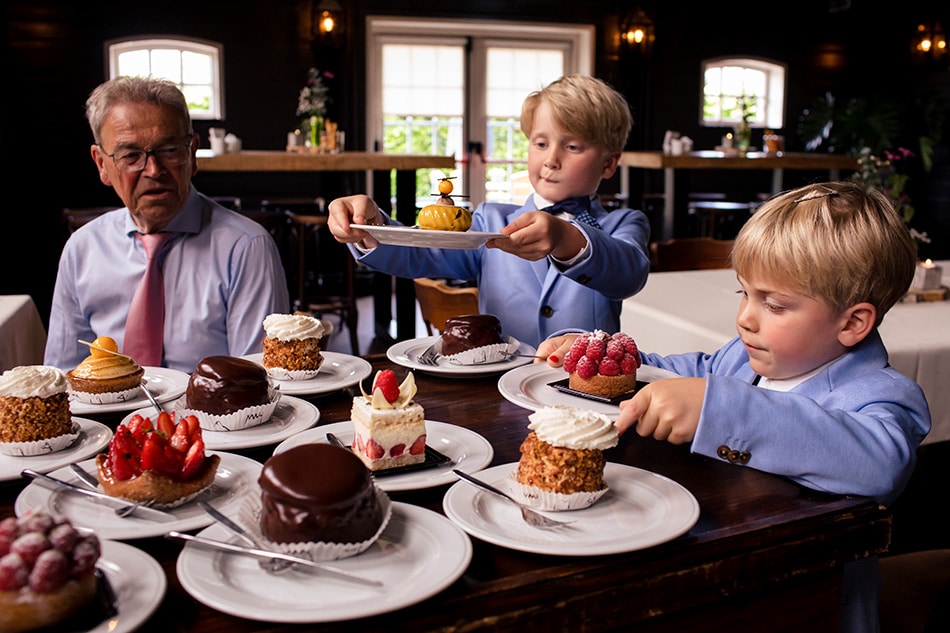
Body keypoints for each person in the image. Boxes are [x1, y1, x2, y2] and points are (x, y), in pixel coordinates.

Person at [537, 180, 931, 633]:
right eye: (744, 293)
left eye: (775, 304)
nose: (745, 316)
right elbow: (692, 369)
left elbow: (881, 463)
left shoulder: (880, 395)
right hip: (722, 578)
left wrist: (718, 409)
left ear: (853, 322)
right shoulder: (743, 356)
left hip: (809, 604)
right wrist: (615, 359)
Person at [327, 74, 651, 347]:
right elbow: (422, 253)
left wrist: (565, 237)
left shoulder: (623, 223)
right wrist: (370, 226)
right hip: (498, 387)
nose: (551, 159)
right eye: (540, 143)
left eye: (572, 146)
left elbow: (629, 274)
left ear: (609, 164)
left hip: (582, 392)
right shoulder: (490, 219)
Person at [45, 76, 289, 373]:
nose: (154, 170)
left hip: (212, 417)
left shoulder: (246, 248)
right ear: (101, 164)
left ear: (192, 153)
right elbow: (64, 375)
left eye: (169, 150)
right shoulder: (82, 249)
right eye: (131, 155)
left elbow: (258, 380)